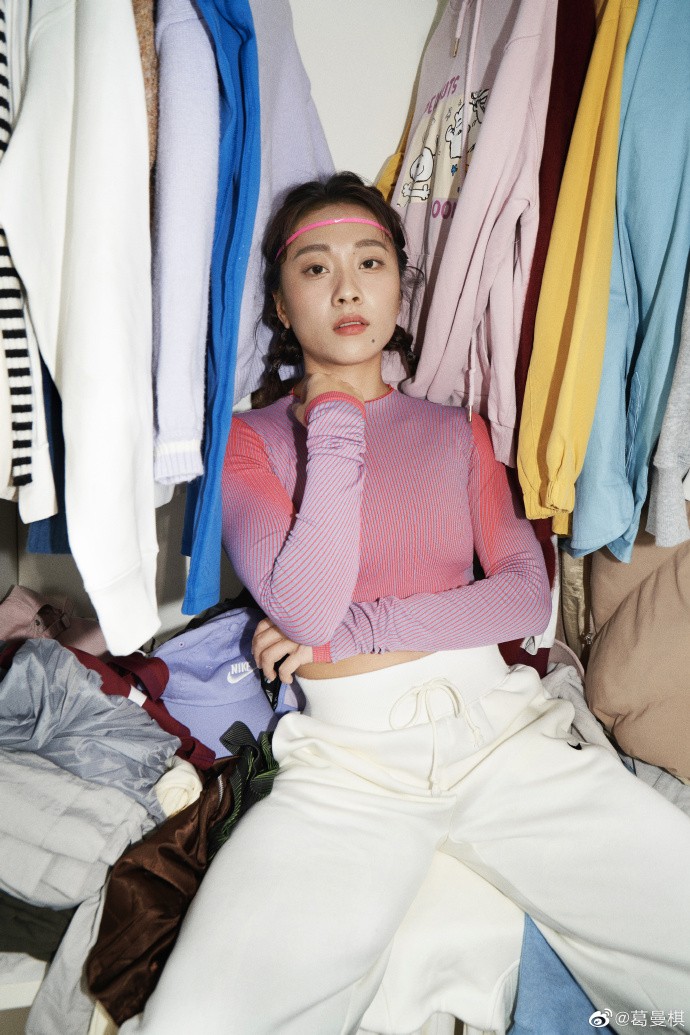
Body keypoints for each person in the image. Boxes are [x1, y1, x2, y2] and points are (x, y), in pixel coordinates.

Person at [123, 174, 690, 1035]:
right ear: (280, 304)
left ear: (399, 284)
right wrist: (335, 420)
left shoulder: (461, 430)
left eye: (371, 262)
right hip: (347, 766)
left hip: (502, 736)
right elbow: (305, 609)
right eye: (316, 269)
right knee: (197, 1019)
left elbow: (524, 596)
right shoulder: (247, 442)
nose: (348, 289)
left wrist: (361, 628)